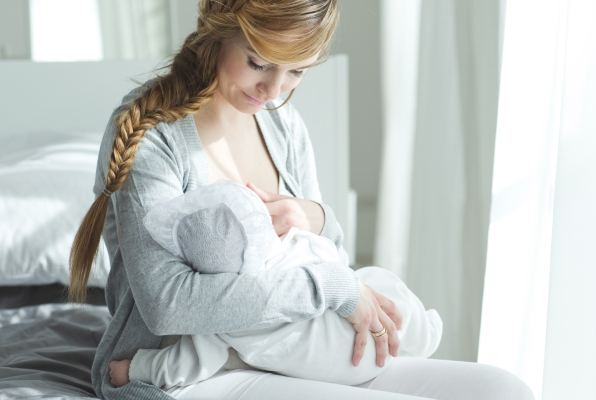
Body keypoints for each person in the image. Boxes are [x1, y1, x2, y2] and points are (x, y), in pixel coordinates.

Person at [69, 0, 536, 398]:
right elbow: (169, 304)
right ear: (218, 30)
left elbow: (323, 256)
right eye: (258, 62)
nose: (273, 91)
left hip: (293, 348)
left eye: (296, 71)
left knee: (503, 389)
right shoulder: (154, 134)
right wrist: (332, 288)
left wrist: (317, 218)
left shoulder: (282, 125)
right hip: (182, 369)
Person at [108, 180, 442, 389]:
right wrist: (337, 278)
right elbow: (333, 257)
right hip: (365, 332)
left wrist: (135, 369)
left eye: (295, 72)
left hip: (344, 368)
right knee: (383, 287)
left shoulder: (217, 321)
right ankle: (426, 331)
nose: (274, 88)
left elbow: (183, 365)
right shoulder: (294, 246)